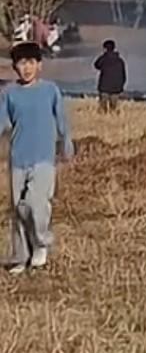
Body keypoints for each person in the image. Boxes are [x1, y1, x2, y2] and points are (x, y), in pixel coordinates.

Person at [2, 42, 75, 274]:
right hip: (18, 157)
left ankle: (42, 242)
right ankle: (22, 256)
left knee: (36, 203)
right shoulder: (9, 93)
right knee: (18, 208)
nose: (26, 68)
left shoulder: (50, 90)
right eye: (21, 63)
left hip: (43, 157)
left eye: (31, 63)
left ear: (39, 65)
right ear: (15, 67)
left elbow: (61, 118)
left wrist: (66, 141)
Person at [94, 39, 127, 113]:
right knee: (114, 108)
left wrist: (104, 55)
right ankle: (114, 120)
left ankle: (104, 121)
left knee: (103, 108)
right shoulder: (120, 60)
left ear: (105, 48)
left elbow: (96, 65)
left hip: (104, 86)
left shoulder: (103, 59)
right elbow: (123, 75)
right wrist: (121, 86)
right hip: (116, 87)